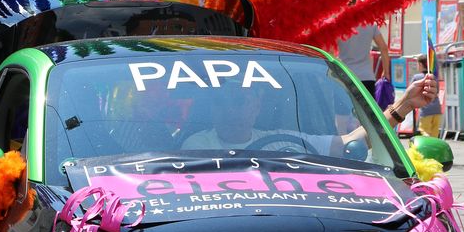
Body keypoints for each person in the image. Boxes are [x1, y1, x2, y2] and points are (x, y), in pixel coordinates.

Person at [181, 74, 437, 153]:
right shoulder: (195, 147)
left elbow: (353, 141)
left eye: (239, 100)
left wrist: (403, 105)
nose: (229, 109)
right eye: (221, 101)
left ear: (256, 106)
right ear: (212, 108)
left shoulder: (283, 141)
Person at [336, 21, 391, 98]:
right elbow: (384, 48)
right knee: (366, 109)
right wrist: (386, 72)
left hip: (345, 76)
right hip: (367, 77)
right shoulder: (371, 24)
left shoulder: (338, 26)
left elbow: (330, 51)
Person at [413, 54, 442, 137]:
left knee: (424, 130)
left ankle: (427, 147)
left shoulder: (417, 77)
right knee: (435, 132)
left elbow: (410, 90)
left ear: (421, 65)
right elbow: (437, 91)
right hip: (437, 108)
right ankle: (434, 148)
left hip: (426, 109)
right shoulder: (434, 77)